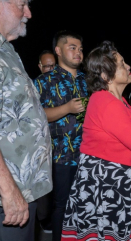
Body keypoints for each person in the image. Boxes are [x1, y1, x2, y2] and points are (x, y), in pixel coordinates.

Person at [60, 40, 131, 241]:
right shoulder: (105, 102)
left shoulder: (119, 101)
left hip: (115, 177)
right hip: (104, 182)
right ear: (106, 75)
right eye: (122, 64)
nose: (129, 67)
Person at [0, 0, 52, 241]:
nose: (28, 13)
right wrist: (8, 191)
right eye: (22, 5)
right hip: (7, 200)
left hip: (23, 190)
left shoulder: (7, 50)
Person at [33, 30, 87, 241]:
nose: (78, 53)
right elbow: (36, 117)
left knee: (86, 203)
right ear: (58, 51)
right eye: (72, 48)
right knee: (62, 205)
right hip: (61, 155)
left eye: (80, 49)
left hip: (89, 153)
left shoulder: (86, 80)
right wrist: (66, 108)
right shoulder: (43, 81)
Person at [35, 49, 56, 234]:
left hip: (62, 141)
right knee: (43, 181)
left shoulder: (63, 82)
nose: (50, 69)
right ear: (40, 67)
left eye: (53, 65)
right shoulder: (35, 84)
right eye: (46, 66)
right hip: (42, 140)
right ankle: (43, 218)